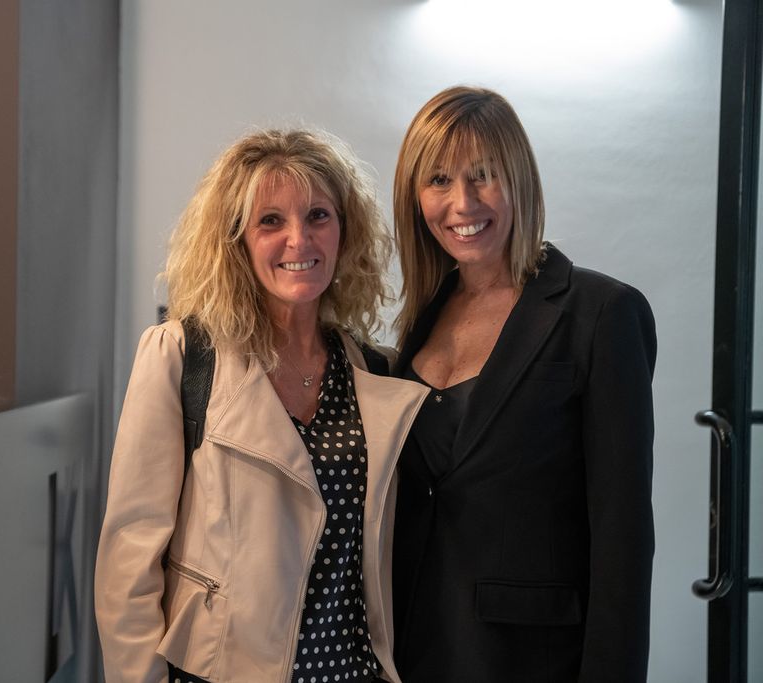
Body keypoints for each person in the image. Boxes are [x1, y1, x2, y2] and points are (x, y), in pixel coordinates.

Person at [95, 129, 428, 683]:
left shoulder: (373, 370)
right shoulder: (183, 356)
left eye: (318, 215)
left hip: (351, 671)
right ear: (236, 240)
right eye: (270, 221)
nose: (299, 239)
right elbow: (130, 556)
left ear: (344, 231)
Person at [390, 86, 656, 682]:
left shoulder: (601, 312)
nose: (462, 203)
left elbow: (623, 539)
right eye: (438, 180)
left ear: (519, 179)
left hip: (532, 660)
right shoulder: (424, 317)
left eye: (483, 175)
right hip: (416, 647)